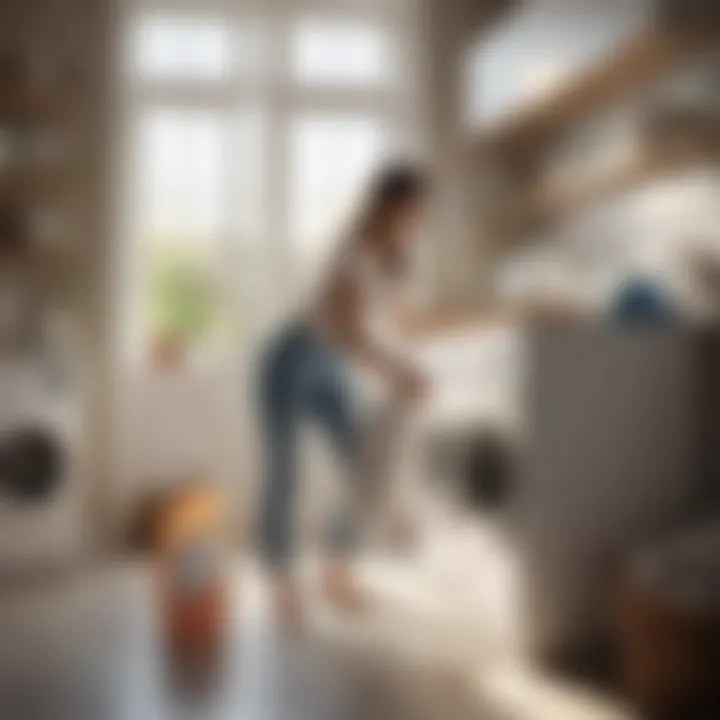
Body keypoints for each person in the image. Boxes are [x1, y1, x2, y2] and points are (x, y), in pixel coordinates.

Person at [256, 163, 432, 629]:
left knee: (362, 468)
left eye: (420, 213)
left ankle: (335, 573)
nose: (416, 221)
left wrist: (419, 348)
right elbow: (348, 329)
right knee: (284, 472)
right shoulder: (352, 253)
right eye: (410, 210)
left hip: (328, 365)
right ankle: (281, 587)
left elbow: (399, 318)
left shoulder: (393, 260)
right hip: (291, 358)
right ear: (385, 207)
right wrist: (396, 371)